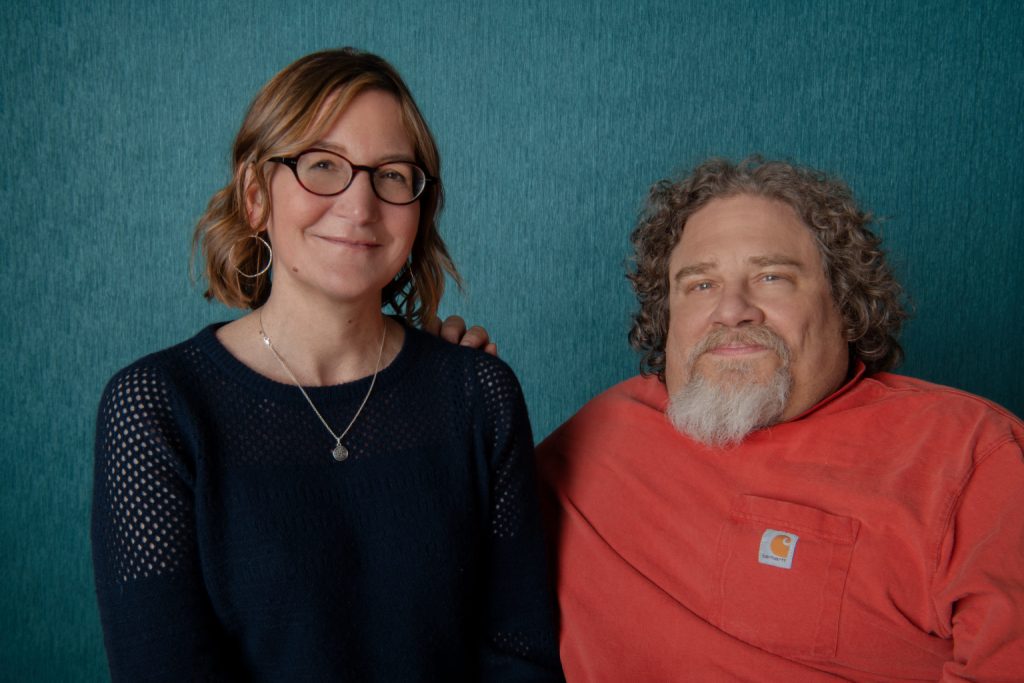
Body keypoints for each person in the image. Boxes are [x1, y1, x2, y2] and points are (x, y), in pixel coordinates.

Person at [92, 48, 561, 681]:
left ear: (420, 209)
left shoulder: (479, 393)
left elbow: (519, 656)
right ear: (256, 195)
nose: (360, 205)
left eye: (392, 175)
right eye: (321, 166)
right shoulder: (155, 408)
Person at [537, 157, 1024, 681]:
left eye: (772, 277)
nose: (732, 310)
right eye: (700, 284)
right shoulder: (600, 437)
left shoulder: (972, 452)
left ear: (845, 302)